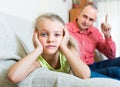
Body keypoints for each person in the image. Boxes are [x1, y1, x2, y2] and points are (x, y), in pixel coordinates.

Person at [8, 13, 90, 83]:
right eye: (44, 34)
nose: (50, 40)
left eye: (57, 35)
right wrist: (37, 50)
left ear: (64, 36)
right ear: (36, 36)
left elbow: (85, 75)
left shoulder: (69, 50)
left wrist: (63, 47)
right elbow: (13, 77)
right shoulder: (39, 61)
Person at [66, 4, 120, 80]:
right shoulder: (66, 29)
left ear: (94, 21)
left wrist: (107, 35)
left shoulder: (95, 31)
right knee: (117, 71)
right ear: (79, 15)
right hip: (79, 69)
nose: (86, 21)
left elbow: (111, 56)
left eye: (91, 19)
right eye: (85, 16)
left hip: (93, 66)